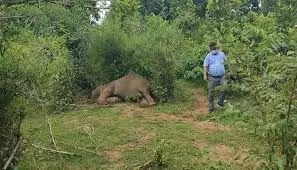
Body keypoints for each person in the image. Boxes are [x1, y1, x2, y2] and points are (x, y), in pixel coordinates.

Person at [203, 42, 227, 113]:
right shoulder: (208, 56)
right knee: (211, 92)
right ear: (210, 49)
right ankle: (211, 107)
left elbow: (227, 62)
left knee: (225, 88)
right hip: (212, 77)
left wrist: (231, 71)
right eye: (212, 49)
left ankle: (220, 103)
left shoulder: (222, 54)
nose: (214, 50)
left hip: (222, 76)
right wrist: (205, 74)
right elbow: (205, 66)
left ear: (217, 48)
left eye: (215, 48)